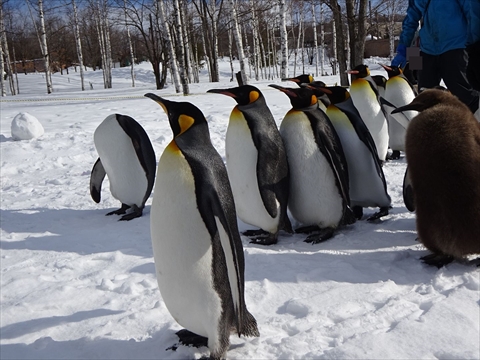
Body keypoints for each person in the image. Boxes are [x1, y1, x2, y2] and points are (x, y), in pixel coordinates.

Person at [392, 0, 480, 115]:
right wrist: (403, 47)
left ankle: (472, 127)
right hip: (426, 49)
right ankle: (431, 129)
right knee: (425, 98)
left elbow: (473, 12)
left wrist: (475, 45)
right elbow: (411, 18)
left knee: (465, 96)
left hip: (455, 47)